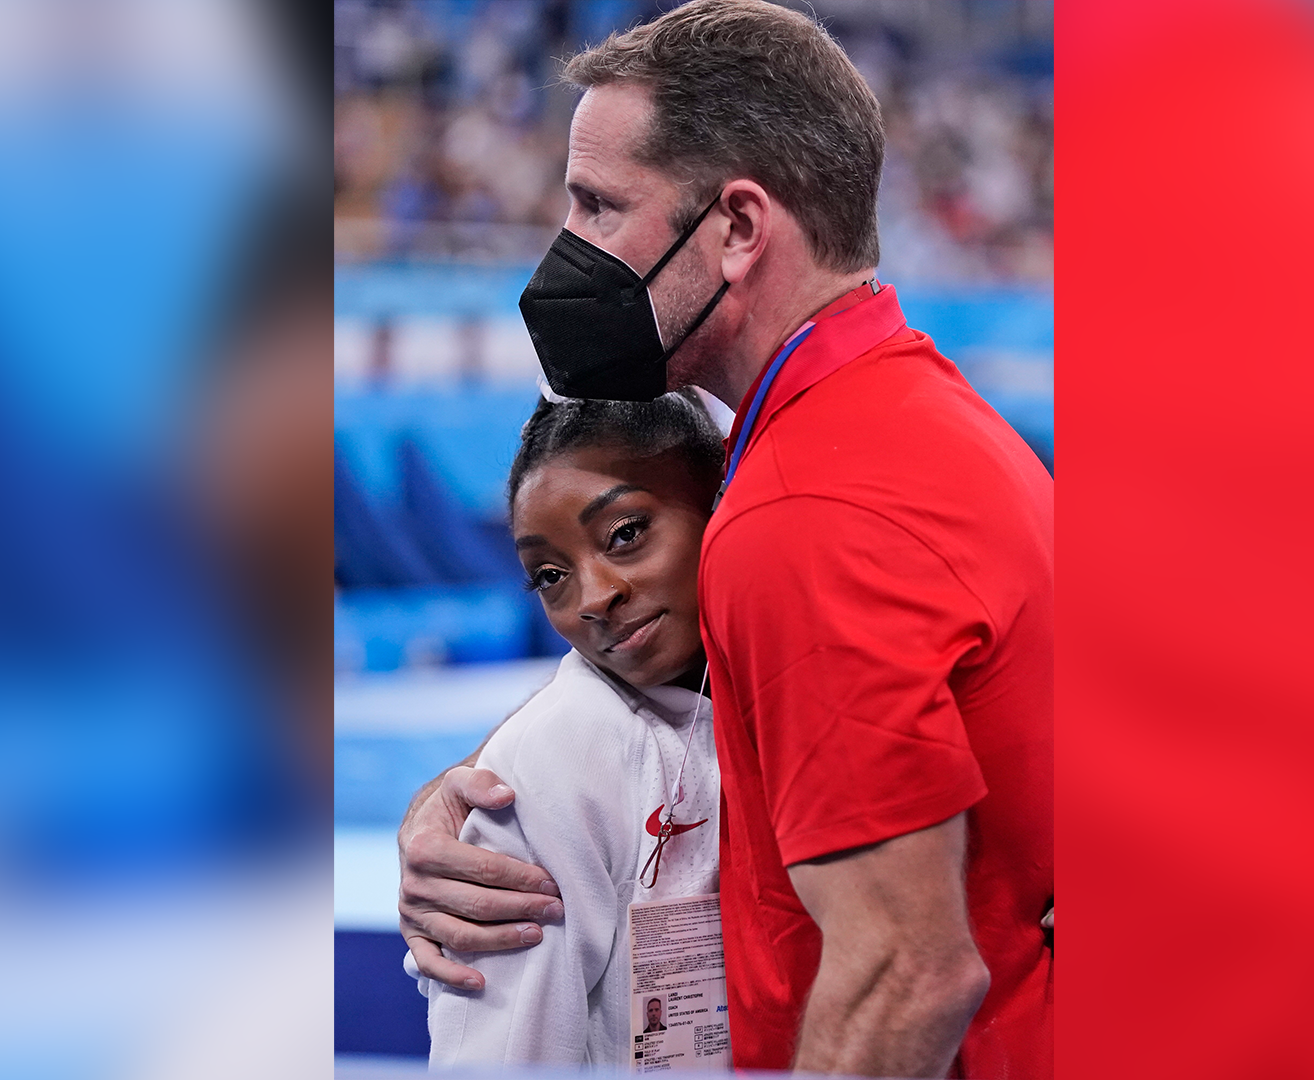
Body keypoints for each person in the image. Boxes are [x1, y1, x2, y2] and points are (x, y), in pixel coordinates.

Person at [399, 2, 1053, 1075]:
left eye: (600, 206)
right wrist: (488, 786)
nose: (567, 250)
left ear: (738, 228)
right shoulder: (902, 416)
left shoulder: (809, 511)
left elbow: (908, 974)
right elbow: (765, 692)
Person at [414, 389, 727, 1065]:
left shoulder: (775, 697)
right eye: (550, 575)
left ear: (722, 507)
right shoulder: (554, 760)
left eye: (625, 533)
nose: (593, 598)